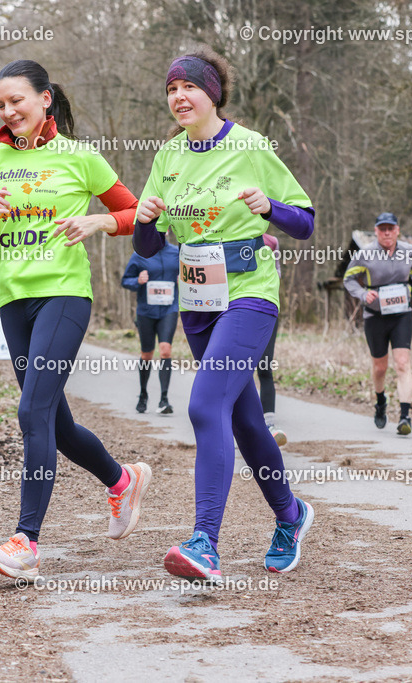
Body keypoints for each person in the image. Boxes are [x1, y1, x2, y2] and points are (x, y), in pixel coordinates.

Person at [0, 59, 151, 580]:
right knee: (56, 422)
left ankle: (26, 541)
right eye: (1, 104)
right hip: (13, 300)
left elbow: (137, 213)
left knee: (31, 412)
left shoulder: (79, 157)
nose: (8, 110)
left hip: (64, 295)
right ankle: (121, 481)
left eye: (17, 100)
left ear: (45, 99)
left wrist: (99, 220)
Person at [134, 49, 316, 580]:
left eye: (189, 87)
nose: (179, 97)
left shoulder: (251, 147)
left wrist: (269, 209)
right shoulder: (168, 156)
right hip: (198, 299)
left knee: (204, 404)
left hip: (250, 292)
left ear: (212, 94)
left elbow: (303, 223)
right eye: (171, 89)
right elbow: (149, 247)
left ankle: (204, 543)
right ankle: (291, 514)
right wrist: (145, 221)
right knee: (243, 419)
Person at [343, 212, 412, 435]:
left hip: (402, 314)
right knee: (380, 367)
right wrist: (363, 295)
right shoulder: (365, 254)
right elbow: (348, 279)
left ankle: (405, 416)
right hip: (375, 316)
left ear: (397, 230)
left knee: (402, 363)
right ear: (376, 231)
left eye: (391, 228)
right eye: (382, 229)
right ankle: (380, 402)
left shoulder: (409, 251)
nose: (387, 232)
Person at [121, 234, 179, 414]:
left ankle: (164, 399)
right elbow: (125, 280)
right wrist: (137, 281)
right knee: (147, 354)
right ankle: (143, 394)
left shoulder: (177, 253)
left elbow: (191, 276)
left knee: (165, 350)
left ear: (167, 232)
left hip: (169, 309)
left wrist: (184, 280)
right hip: (146, 311)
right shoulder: (140, 254)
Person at [257, 232, 287, 446]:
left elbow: (277, 273)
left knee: (265, 367)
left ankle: (269, 424)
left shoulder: (272, 241)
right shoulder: (228, 233)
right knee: (240, 369)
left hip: (266, 310)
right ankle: (240, 424)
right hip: (236, 312)